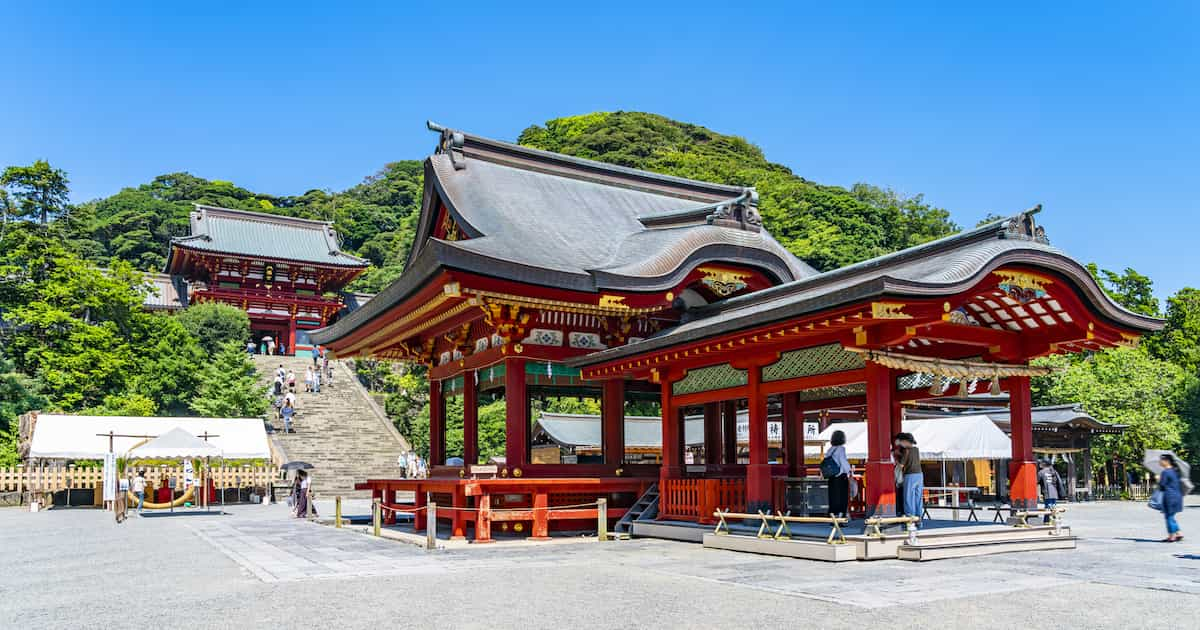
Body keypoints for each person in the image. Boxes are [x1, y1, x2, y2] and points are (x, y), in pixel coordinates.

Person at [825, 430, 852, 517]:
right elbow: (843, 462)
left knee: (833, 497)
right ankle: (840, 517)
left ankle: (832, 516)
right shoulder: (841, 449)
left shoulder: (830, 450)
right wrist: (849, 470)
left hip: (831, 476)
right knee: (841, 498)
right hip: (840, 476)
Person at [1158, 453, 1185, 542]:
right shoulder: (1175, 471)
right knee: (1171, 516)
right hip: (1177, 496)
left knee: (1168, 517)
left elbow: (1162, 486)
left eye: (1161, 460)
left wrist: (1158, 479)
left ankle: (1171, 536)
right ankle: (1179, 533)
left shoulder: (1165, 472)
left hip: (1169, 497)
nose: (1159, 462)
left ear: (1166, 461)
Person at [898, 433, 923, 519]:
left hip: (910, 475)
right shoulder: (916, 449)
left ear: (905, 441)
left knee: (908, 498)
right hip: (919, 475)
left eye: (901, 441)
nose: (900, 443)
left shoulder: (906, 450)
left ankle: (910, 519)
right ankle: (919, 519)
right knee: (918, 498)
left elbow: (901, 465)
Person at [1038, 459, 1067, 524]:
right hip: (1054, 492)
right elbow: (1058, 482)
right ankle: (1052, 521)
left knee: (1048, 508)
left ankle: (1047, 521)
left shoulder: (1041, 472)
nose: (1039, 464)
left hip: (1047, 492)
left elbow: (1036, 481)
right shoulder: (1054, 471)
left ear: (1044, 464)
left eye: (1041, 463)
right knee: (1052, 507)